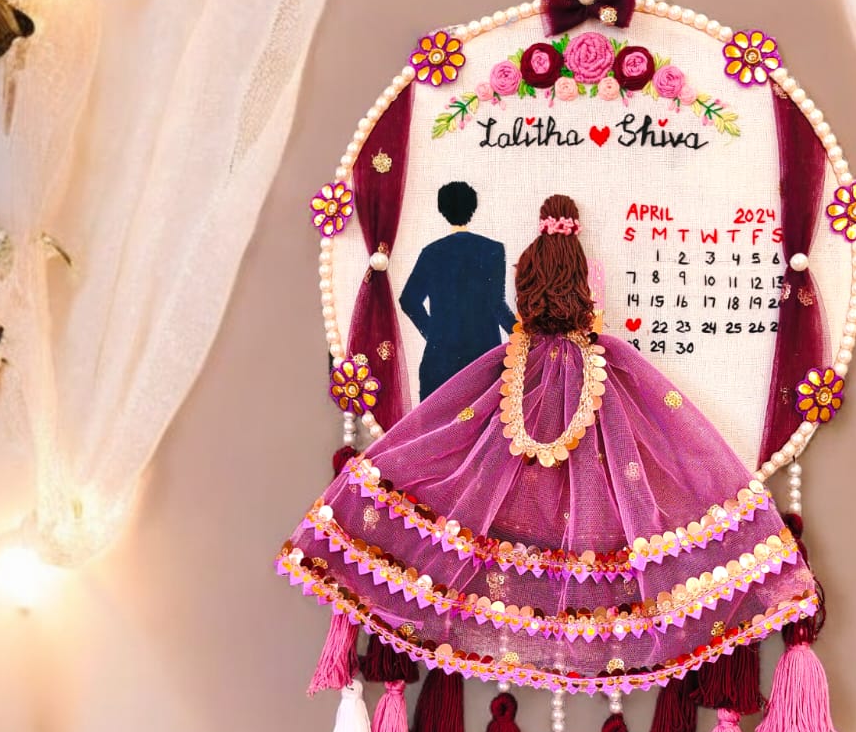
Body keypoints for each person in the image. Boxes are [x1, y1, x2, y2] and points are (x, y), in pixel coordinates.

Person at [282, 195, 817, 693]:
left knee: (458, 448)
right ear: (584, 281)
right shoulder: (607, 358)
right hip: (589, 412)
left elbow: (448, 420)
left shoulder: (509, 358)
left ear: (528, 280)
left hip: (513, 441)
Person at [398, 181, 514, 399]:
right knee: (483, 417)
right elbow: (496, 303)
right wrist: (518, 333)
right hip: (483, 354)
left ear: (442, 209)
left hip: (440, 358)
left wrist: (433, 333)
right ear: (473, 207)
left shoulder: (431, 252)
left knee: (438, 417)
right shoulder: (493, 249)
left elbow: (409, 300)